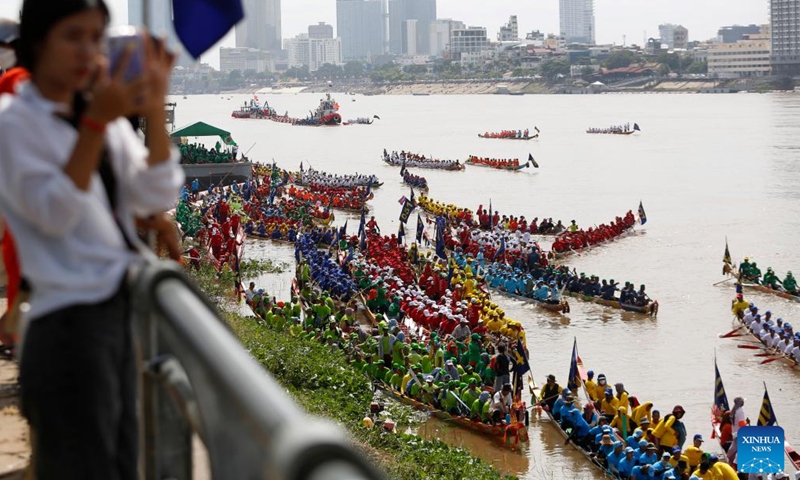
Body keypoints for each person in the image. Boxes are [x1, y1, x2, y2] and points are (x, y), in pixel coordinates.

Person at [0, 1, 183, 479]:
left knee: (121, 465)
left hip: (116, 319)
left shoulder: (99, 113)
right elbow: (54, 213)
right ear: (38, 42)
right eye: (73, 36)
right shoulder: (14, 123)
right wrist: (98, 123)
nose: (88, 50)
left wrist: (155, 110)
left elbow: (154, 193)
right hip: (67, 328)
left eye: (97, 38)